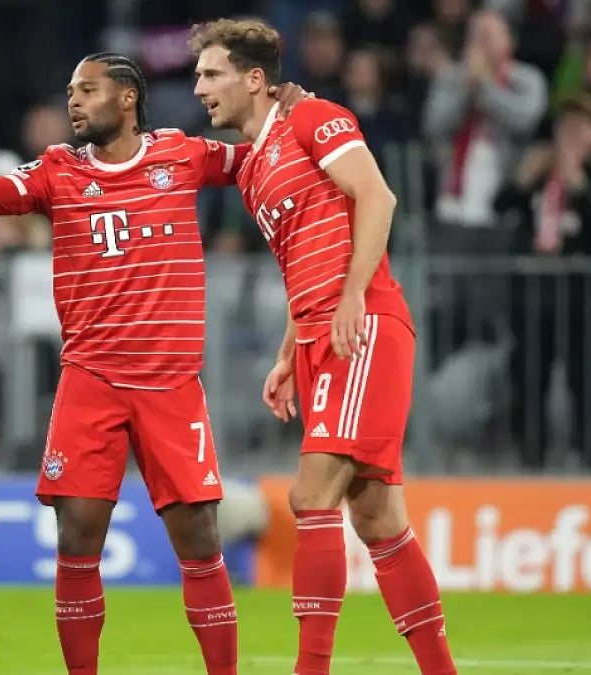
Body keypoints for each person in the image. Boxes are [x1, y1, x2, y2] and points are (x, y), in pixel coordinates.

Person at [0, 37, 306, 675]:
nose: (74, 104)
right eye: (70, 95)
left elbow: (259, 156)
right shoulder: (57, 168)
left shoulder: (181, 154)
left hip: (171, 385)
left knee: (200, 540)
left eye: (87, 92)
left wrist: (291, 116)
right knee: (77, 538)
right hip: (91, 382)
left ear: (127, 97)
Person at [190, 18, 457, 675]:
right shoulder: (255, 167)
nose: (199, 88)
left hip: (361, 326)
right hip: (318, 335)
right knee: (377, 518)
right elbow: (304, 259)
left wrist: (353, 296)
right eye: (198, 75)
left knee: (311, 496)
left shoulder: (312, 116)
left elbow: (377, 195)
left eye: (212, 74)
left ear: (255, 79)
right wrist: (288, 349)